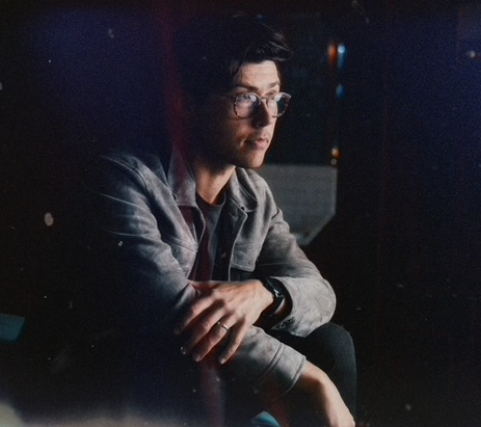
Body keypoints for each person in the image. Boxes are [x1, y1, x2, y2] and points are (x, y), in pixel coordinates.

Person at [75, 14, 356, 427]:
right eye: (245, 98)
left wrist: (264, 293)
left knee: (332, 343)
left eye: (274, 98)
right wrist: (311, 381)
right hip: (130, 377)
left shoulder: (254, 195)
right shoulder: (125, 179)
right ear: (188, 104)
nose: (266, 119)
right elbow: (178, 314)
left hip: (206, 371)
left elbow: (319, 293)